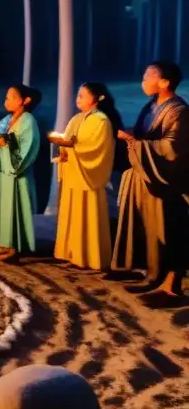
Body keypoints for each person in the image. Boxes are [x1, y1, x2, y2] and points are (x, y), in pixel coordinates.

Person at [110, 62, 188, 305]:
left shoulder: (178, 110)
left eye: (147, 77)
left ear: (165, 82)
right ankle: (153, 275)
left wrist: (134, 142)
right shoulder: (150, 106)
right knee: (148, 229)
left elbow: (172, 148)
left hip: (165, 181)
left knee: (167, 230)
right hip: (144, 175)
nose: (143, 82)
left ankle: (171, 284)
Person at [53, 83, 119, 271]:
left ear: (94, 99)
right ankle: (72, 253)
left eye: (82, 95)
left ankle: (90, 257)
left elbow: (96, 149)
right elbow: (68, 142)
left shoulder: (101, 121)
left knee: (87, 215)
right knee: (72, 215)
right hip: (74, 173)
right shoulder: (76, 119)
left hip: (87, 175)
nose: (78, 98)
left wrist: (72, 148)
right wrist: (63, 149)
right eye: (78, 95)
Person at [0, 84, 42, 264]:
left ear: (25, 100)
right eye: (6, 97)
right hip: (3, 172)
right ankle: (5, 242)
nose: (6, 101)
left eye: (11, 97)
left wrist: (6, 146)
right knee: (4, 208)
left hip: (17, 172)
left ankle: (16, 247)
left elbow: (28, 147)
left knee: (16, 208)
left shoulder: (28, 121)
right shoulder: (6, 120)